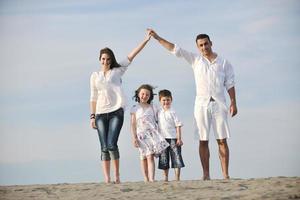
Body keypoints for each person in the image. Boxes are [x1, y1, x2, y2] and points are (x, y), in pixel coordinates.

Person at [149, 29, 238, 180]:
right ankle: (206, 174)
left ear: (211, 43)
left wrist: (233, 102)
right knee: (203, 140)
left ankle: (225, 174)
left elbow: (230, 84)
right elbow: (174, 48)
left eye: (206, 44)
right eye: (201, 45)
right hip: (201, 105)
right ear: (198, 47)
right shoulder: (195, 59)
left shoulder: (224, 63)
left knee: (222, 140)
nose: (204, 47)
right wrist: (157, 37)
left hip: (219, 104)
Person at [89, 30, 151, 184]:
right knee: (104, 147)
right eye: (103, 59)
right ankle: (107, 179)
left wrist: (146, 40)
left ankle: (117, 176)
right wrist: (92, 116)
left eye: (108, 59)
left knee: (111, 144)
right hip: (100, 114)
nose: (105, 61)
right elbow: (93, 97)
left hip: (116, 111)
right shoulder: (94, 76)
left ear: (111, 60)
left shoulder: (117, 70)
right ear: (99, 59)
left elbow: (132, 55)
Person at [130, 84, 169, 182]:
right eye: (143, 94)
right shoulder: (135, 108)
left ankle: (152, 178)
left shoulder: (153, 107)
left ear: (150, 96)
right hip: (140, 136)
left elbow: (160, 118)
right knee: (143, 157)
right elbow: (133, 124)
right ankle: (146, 178)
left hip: (152, 135)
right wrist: (134, 138)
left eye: (147, 94)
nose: (144, 96)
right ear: (138, 94)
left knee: (150, 156)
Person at [157, 89, 185, 181]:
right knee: (164, 158)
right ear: (160, 101)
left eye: (168, 100)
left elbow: (178, 125)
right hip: (162, 139)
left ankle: (177, 177)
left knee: (176, 156)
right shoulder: (159, 112)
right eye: (164, 100)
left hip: (173, 138)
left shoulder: (173, 112)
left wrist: (179, 138)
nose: (166, 102)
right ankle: (165, 177)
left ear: (171, 100)